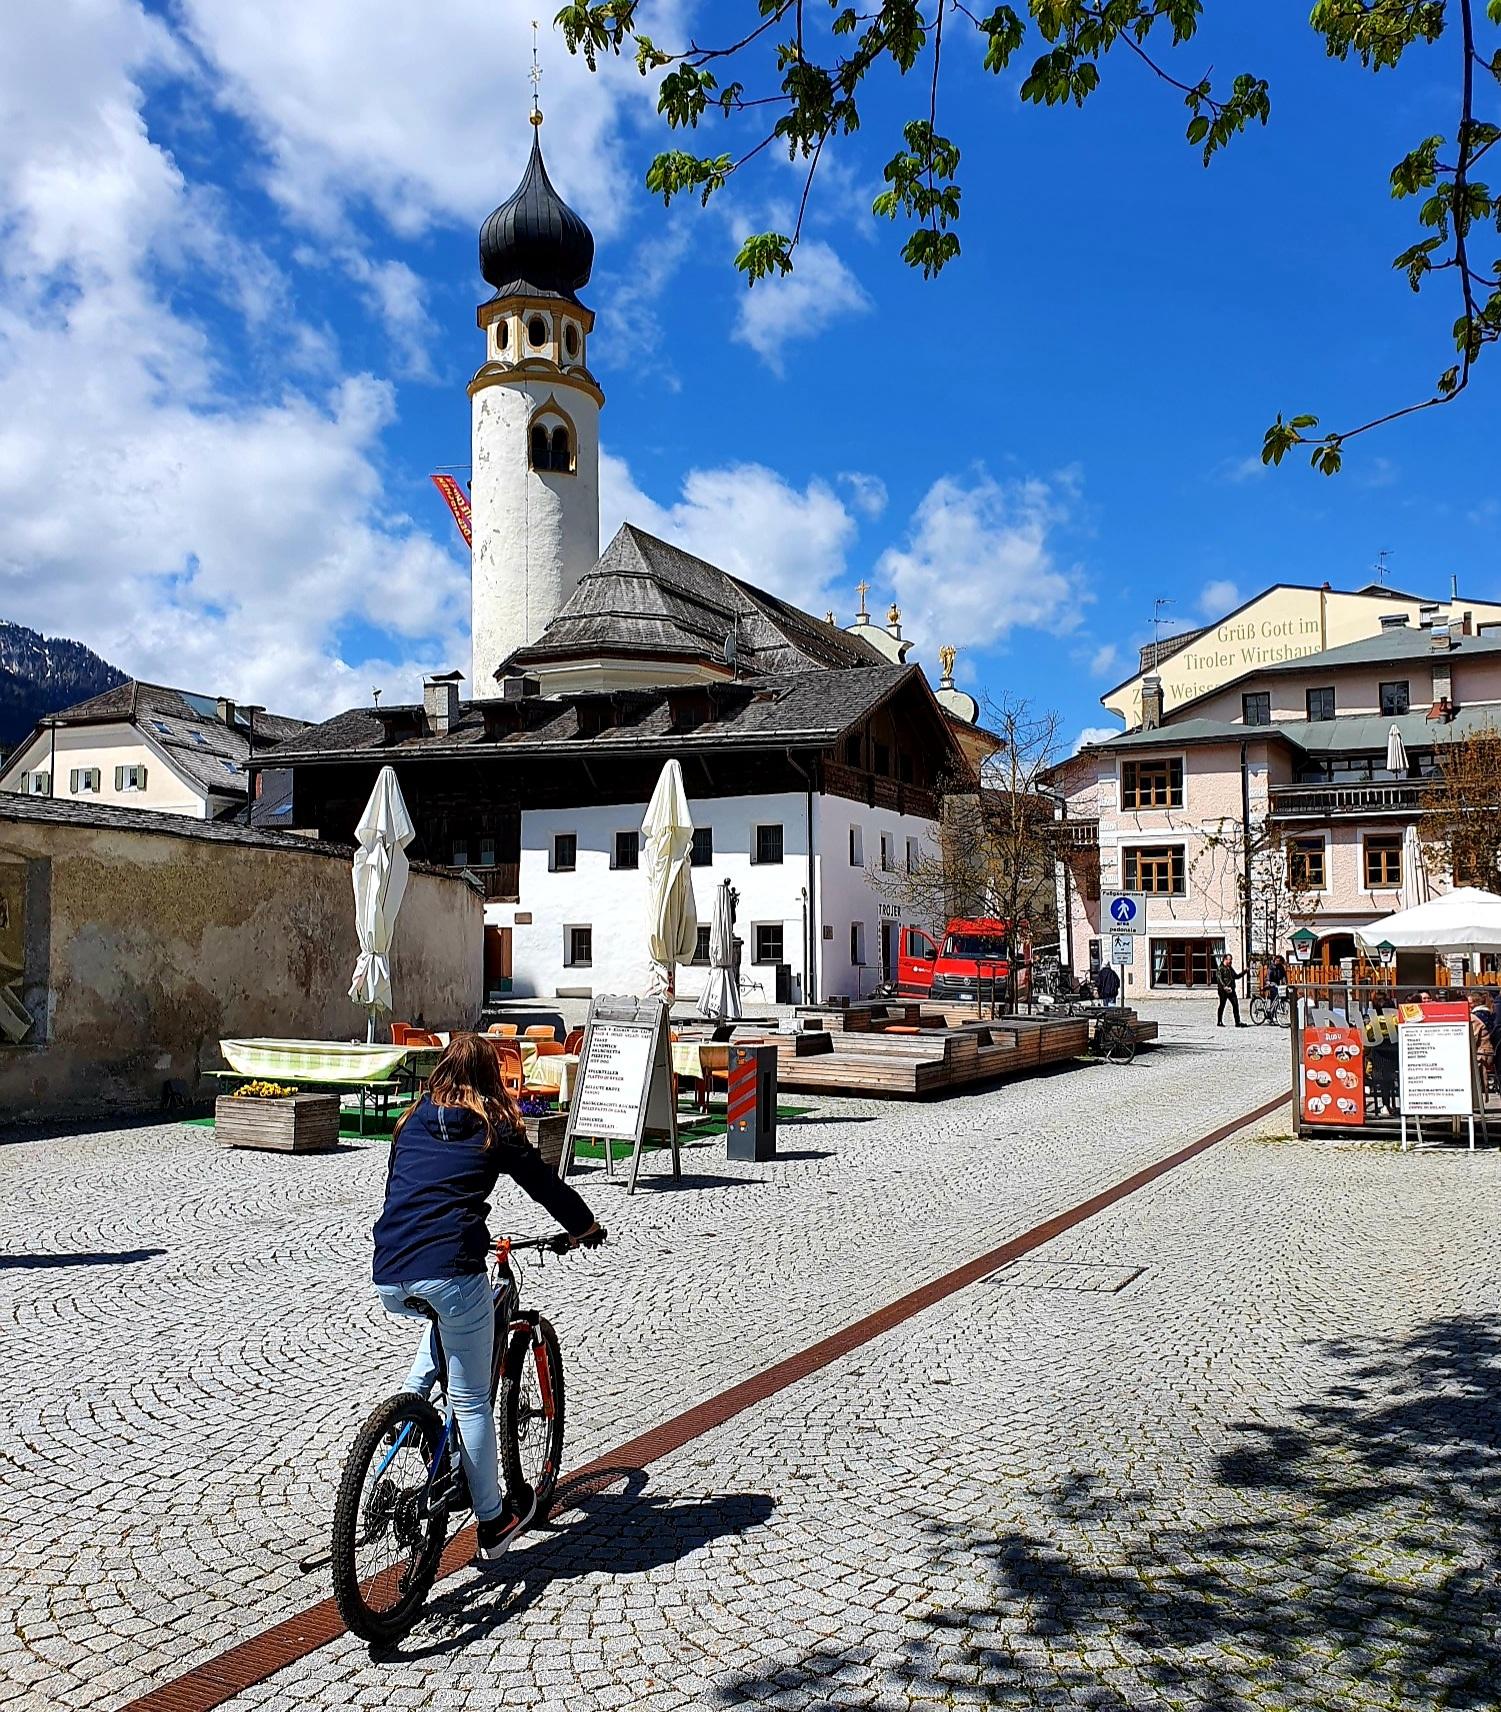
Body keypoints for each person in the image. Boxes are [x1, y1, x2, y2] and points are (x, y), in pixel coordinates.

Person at [372, 1033, 603, 1564]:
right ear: (489, 1075)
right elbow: (545, 1186)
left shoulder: (409, 1121)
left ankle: (405, 1427)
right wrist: (584, 1226)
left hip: (390, 1270)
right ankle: (494, 1524)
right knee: (473, 1399)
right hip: (452, 1269)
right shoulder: (492, 1127)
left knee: (444, 1328)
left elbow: (409, 1192)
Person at [1215, 954, 1246, 1027]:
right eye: (1229, 959)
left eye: (1231, 959)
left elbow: (1236, 976)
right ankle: (1219, 1021)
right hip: (1223, 991)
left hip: (1231, 990)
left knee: (1235, 1005)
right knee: (1222, 1005)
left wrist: (1244, 972)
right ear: (1225, 960)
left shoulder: (1230, 968)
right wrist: (1224, 987)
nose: (1231, 961)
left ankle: (1237, 1022)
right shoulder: (1220, 968)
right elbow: (1219, 979)